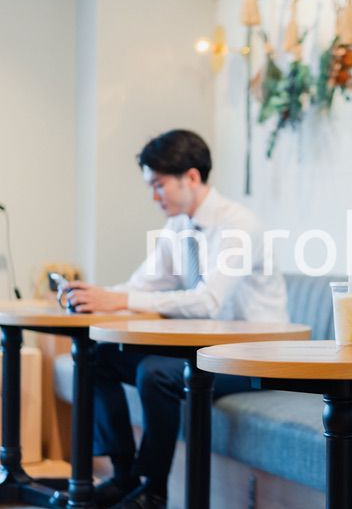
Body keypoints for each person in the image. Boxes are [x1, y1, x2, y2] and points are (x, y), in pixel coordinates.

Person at [66, 129, 289, 509]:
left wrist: (118, 299)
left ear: (191, 177)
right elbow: (144, 284)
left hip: (253, 357)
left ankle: (153, 493)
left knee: (156, 373)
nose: (154, 196)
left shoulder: (238, 225)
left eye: (158, 185)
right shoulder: (179, 225)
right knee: (96, 356)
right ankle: (125, 478)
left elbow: (208, 302)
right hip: (205, 350)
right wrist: (93, 298)